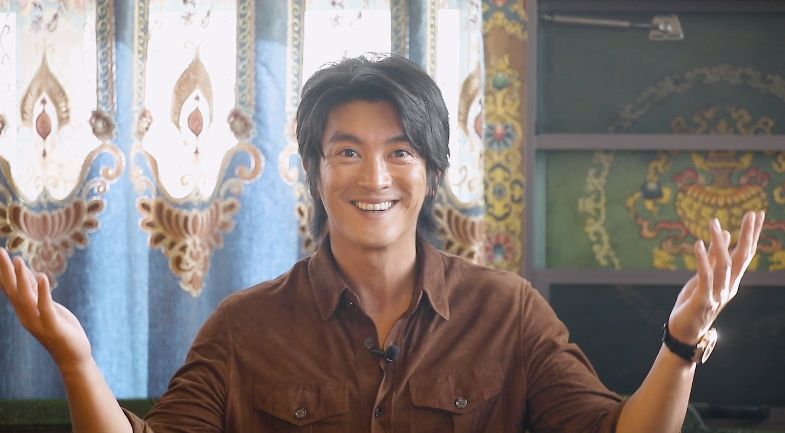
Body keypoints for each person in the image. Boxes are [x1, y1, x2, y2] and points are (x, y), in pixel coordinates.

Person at [0, 54, 766, 433]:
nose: (374, 176)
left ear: (431, 171)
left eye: (399, 151)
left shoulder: (508, 311)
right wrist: (75, 359)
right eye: (346, 151)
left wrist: (680, 340)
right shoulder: (244, 326)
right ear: (314, 171)